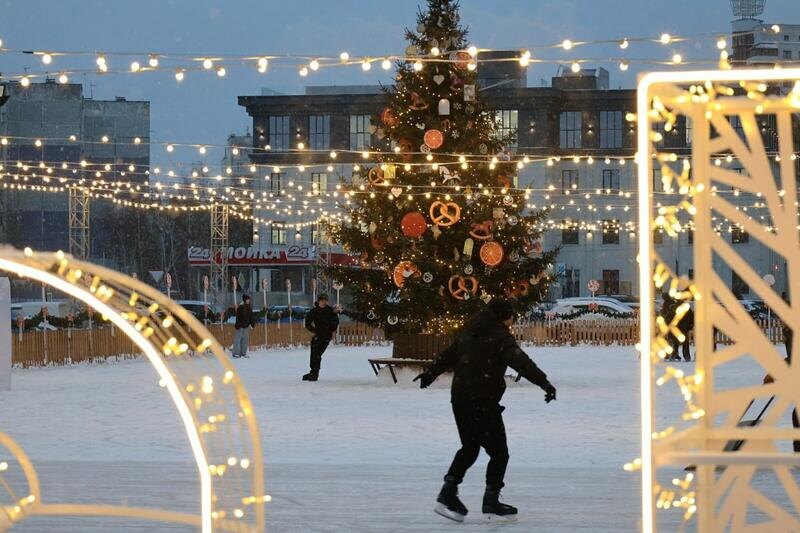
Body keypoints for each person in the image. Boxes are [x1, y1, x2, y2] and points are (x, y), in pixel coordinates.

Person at [414, 298, 557, 522]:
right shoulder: (500, 336)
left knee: (470, 447)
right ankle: (491, 500)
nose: (512, 321)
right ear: (504, 316)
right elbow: (521, 362)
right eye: (511, 317)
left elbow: (450, 354)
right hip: (482, 400)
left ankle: (448, 492)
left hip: (460, 398)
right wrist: (544, 383)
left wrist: (430, 373)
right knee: (499, 452)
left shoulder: (470, 331)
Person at [302, 294, 340, 381]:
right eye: (322, 300)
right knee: (313, 354)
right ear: (319, 301)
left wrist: (332, 330)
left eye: (325, 300)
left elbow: (336, 322)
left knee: (318, 354)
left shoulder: (330, 311)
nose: (324, 302)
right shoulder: (314, 311)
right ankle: (313, 372)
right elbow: (307, 323)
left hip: (326, 336)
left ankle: (315, 373)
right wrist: (313, 331)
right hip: (317, 335)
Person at [232, 294, 256, 358]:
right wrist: (237, 324)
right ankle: (236, 353)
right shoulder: (240, 307)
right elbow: (238, 317)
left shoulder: (249, 307)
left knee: (245, 340)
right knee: (238, 339)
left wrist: (252, 323)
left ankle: (243, 353)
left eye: (249, 300)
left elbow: (251, 316)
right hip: (240, 325)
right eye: (248, 299)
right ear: (245, 300)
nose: (249, 301)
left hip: (246, 326)